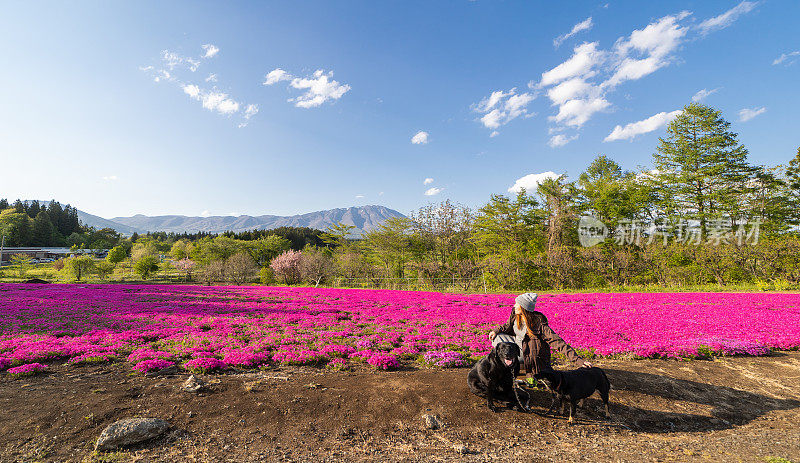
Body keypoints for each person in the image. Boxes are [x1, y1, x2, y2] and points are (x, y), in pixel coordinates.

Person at [489, 292, 591, 385]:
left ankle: (514, 367)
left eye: (517, 304)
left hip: (527, 355)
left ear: (524, 307)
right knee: (498, 338)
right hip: (517, 348)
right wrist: (496, 331)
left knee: (505, 347)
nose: (514, 306)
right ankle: (504, 366)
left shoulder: (540, 325)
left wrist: (579, 361)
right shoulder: (516, 316)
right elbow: (507, 326)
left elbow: (558, 342)